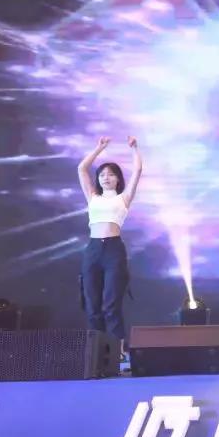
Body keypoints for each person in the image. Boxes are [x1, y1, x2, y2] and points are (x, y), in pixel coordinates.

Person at [77, 136, 142, 356]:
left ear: (117, 179)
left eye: (111, 174)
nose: (106, 177)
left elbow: (137, 170)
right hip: (93, 250)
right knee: (92, 305)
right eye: (102, 174)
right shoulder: (93, 197)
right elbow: (81, 168)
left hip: (113, 250)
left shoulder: (123, 198)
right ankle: (97, 353)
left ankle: (116, 352)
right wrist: (99, 148)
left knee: (111, 304)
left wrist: (135, 148)